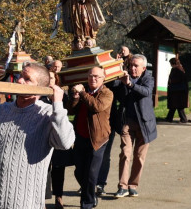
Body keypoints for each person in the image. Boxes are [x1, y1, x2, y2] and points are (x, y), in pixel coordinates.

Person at [0, 62, 75, 209]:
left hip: (24, 204)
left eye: (27, 79)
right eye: (20, 76)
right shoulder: (0, 110)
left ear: (41, 87)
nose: (19, 80)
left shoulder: (47, 114)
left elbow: (65, 143)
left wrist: (58, 104)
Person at [107, 55, 157, 198]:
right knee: (125, 154)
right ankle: (122, 186)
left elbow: (146, 92)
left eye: (136, 66)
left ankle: (133, 185)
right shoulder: (124, 77)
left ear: (143, 68)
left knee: (139, 157)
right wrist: (116, 74)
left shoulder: (148, 78)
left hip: (144, 124)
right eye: (131, 65)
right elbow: (112, 86)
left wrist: (131, 85)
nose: (133, 68)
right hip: (127, 123)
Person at [67, 66, 113, 209]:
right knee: (79, 171)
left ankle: (86, 204)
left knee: (91, 173)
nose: (93, 79)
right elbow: (71, 110)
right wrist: (75, 98)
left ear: (103, 78)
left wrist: (82, 93)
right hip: (80, 136)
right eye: (90, 76)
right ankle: (91, 196)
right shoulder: (83, 92)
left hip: (98, 138)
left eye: (97, 76)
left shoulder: (107, 93)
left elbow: (96, 107)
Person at [96, 45, 132, 196]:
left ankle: (104, 183)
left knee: (122, 152)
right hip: (108, 117)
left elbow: (125, 92)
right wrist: (113, 71)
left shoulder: (129, 73)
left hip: (122, 119)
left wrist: (121, 73)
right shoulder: (109, 78)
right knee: (103, 151)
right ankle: (97, 183)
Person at [165, 57, 189, 123]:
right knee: (175, 105)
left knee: (177, 105)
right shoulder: (179, 68)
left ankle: (183, 119)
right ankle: (169, 118)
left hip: (177, 90)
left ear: (173, 63)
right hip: (178, 90)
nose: (170, 65)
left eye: (171, 63)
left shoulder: (177, 69)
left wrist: (171, 83)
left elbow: (175, 80)